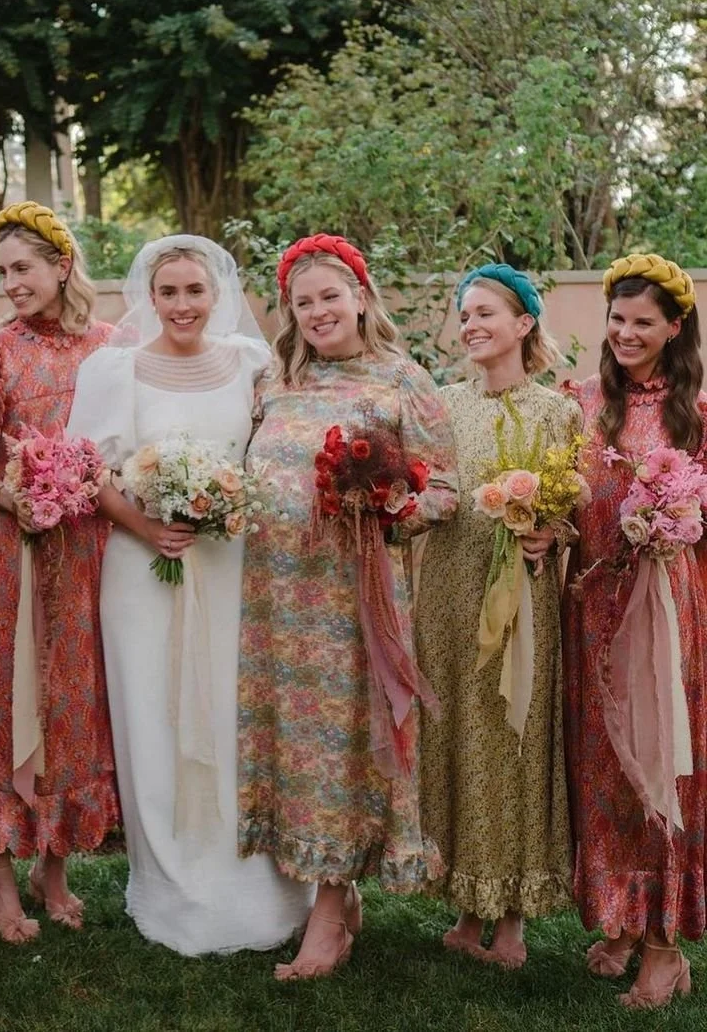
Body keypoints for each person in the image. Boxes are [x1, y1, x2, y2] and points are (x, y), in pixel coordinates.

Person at [66, 235, 313, 955]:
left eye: (194, 291)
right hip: (142, 570)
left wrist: (220, 507)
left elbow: (278, 452)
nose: (182, 304)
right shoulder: (113, 369)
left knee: (233, 712)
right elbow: (89, 471)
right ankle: (172, 885)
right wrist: (147, 526)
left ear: (217, 294)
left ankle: (254, 884)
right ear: (149, 297)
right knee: (154, 715)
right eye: (168, 292)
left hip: (231, 565)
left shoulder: (252, 363)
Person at [237, 234, 458, 980]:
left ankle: (327, 919)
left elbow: (446, 487)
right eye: (303, 302)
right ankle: (334, 894)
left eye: (330, 296)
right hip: (273, 605)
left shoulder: (401, 380)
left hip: (351, 603)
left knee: (338, 749)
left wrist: (390, 509)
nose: (318, 311)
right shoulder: (276, 382)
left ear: (361, 297)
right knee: (294, 747)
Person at [0, 201, 119, 942]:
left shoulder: (110, 349)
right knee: (2, 698)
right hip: (2, 548)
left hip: (80, 546)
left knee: (69, 696)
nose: (12, 282)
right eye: (3, 272)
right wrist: (14, 497)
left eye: (24, 268)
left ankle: (55, 865)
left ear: (62, 265)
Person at [416, 264, 577, 969]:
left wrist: (553, 532)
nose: (472, 325)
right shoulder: (442, 406)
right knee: (457, 737)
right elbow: (427, 490)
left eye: (486, 312)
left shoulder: (557, 411)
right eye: (465, 315)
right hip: (447, 598)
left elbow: (576, 509)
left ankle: (509, 923)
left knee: (512, 741)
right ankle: (464, 906)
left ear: (524, 323)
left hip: (519, 607)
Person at [562, 252, 706, 1009]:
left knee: (658, 765)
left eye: (643, 322)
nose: (625, 333)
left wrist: (677, 518)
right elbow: (566, 495)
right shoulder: (582, 402)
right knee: (604, 767)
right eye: (617, 319)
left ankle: (664, 946)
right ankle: (621, 916)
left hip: (665, 615)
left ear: (675, 328)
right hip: (592, 609)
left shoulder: (697, 414)